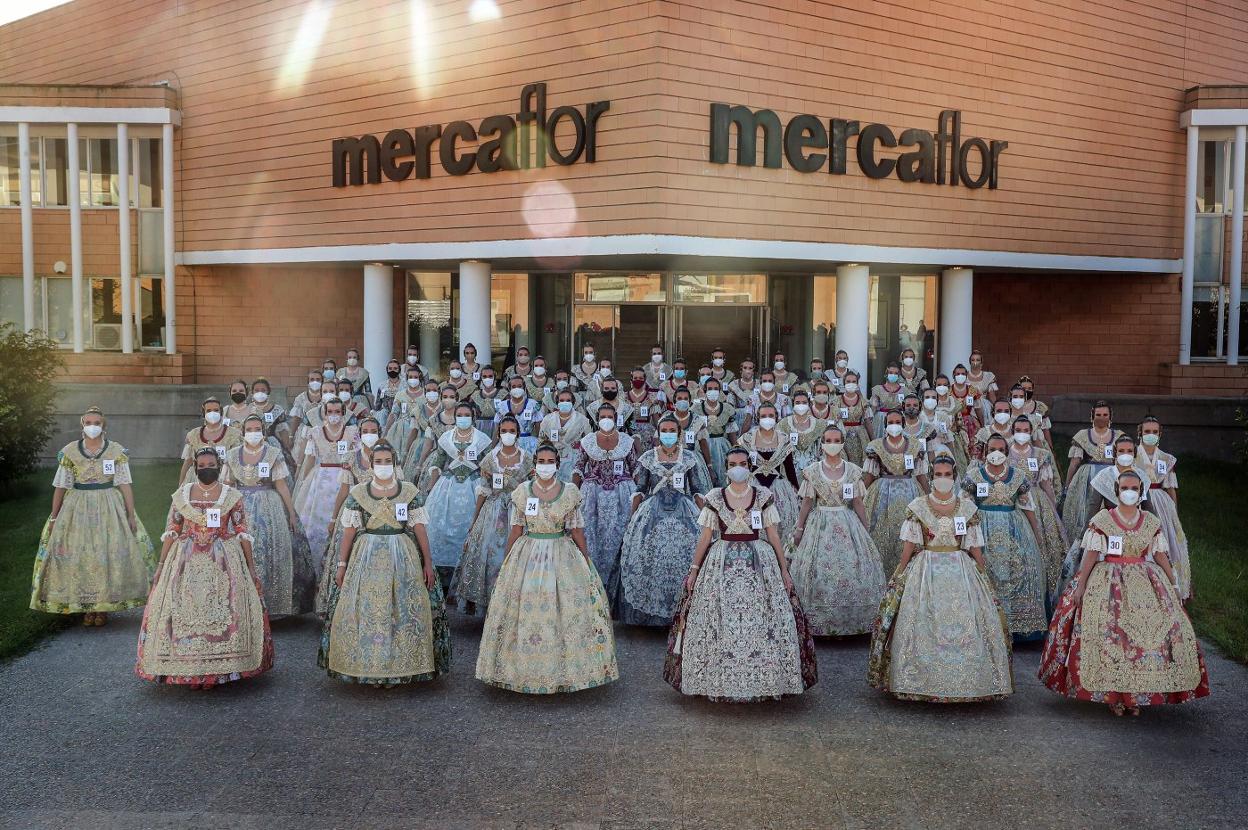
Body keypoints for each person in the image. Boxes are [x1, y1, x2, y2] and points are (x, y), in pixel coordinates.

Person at [1038, 471, 1209, 716]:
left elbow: (1159, 554)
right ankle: (1114, 696)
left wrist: (1173, 583)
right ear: (1117, 490)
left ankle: (1136, 695)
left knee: (1146, 636)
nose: (1130, 492)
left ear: (1141, 492)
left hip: (1144, 580)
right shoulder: (1102, 519)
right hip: (1107, 581)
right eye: (1125, 487)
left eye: (1135, 488)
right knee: (1112, 636)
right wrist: (1082, 584)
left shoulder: (1150, 521)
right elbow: (1091, 555)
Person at [663, 447, 817, 701]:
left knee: (763, 619)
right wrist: (693, 571)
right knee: (718, 620)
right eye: (733, 463)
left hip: (759, 562)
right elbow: (704, 538)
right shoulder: (714, 497)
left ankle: (762, 679)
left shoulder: (763, 495)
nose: (738, 468)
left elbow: (773, 534)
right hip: (720, 562)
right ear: (726, 468)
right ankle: (719, 679)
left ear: (750, 466)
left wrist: (783, 570)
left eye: (743, 463)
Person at [867, 454, 1013, 702]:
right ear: (932, 477)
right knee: (922, 619)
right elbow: (910, 544)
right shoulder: (918, 506)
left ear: (954, 477)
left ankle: (969, 682)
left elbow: (974, 545)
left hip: (960, 568)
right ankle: (918, 680)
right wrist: (901, 571)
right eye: (938, 475)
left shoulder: (967, 508)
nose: (942, 479)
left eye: (947, 475)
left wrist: (982, 571)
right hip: (926, 568)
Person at [475, 445, 619, 694]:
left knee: (566, 610)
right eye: (541, 460)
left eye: (549, 460)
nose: (545, 464)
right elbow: (517, 529)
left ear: (558, 463)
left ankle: (565, 671)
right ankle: (523, 670)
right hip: (527, 553)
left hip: (562, 553)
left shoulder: (570, 492)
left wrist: (585, 560)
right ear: (535, 464)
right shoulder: (522, 492)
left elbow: (576, 530)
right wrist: (508, 560)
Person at [137, 448, 273, 688]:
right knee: (183, 613)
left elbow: (242, 532)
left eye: (210, 464)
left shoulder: (231, 496)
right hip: (185, 559)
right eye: (201, 465)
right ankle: (188, 671)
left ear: (219, 466)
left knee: (222, 611)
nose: (206, 468)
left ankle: (216, 672)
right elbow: (172, 530)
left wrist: (251, 569)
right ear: (195, 467)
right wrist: (160, 565)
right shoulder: (182, 495)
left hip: (223, 558)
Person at [319, 443, 451, 686]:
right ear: (371, 464)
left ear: (395, 462)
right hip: (366, 556)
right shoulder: (358, 493)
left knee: (402, 606)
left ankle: (403, 663)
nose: (382, 465)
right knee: (370, 609)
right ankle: (370, 662)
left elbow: (419, 528)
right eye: (378, 461)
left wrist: (428, 563)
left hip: (404, 555)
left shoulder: (409, 491)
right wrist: (341, 564)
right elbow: (349, 531)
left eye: (387, 460)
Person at [30, 407, 154, 626]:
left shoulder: (115, 451)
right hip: (76, 506)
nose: (92, 426)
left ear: (103, 425)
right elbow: (61, 486)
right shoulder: (70, 452)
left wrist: (131, 514)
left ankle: (103, 607)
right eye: (88, 422)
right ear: (82, 425)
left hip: (109, 505)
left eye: (97, 422)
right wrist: (54, 516)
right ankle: (86, 607)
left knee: (106, 554)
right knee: (82, 555)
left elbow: (124, 484)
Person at [614, 415, 712, 626]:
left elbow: (696, 490)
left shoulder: (688, 457)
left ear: (678, 434)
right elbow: (640, 489)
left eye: (672, 431)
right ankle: (651, 616)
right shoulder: (649, 457)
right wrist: (632, 520)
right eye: (664, 430)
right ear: (659, 433)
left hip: (684, 512)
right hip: (653, 512)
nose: (668, 434)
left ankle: (685, 612)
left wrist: (706, 519)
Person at [788, 426, 885, 636]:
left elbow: (858, 502)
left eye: (836, 440)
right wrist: (799, 528)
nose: (832, 444)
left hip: (847, 522)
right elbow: (807, 503)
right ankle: (817, 623)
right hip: (820, 522)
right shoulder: (813, 471)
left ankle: (852, 622)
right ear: (822, 443)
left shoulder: (852, 470)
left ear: (842, 443)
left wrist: (865, 528)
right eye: (828, 440)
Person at [222, 415, 315, 618]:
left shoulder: (273, 453)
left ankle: (272, 605)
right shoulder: (232, 455)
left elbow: (281, 484)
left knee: (269, 550)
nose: (253, 432)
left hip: (269, 506)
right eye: (249, 429)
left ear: (263, 431)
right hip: (240, 506)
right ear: (243, 431)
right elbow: (227, 484)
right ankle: (243, 605)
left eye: (257, 428)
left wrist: (291, 513)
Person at [963, 434, 1048, 640]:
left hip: (1014, 528)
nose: (996, 454)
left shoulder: (1018, 476)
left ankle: (1016, 626)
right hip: (982, 529)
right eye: (992, 449)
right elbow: (964, 507)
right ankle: (985, 624)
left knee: (1018, 570)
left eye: (1001, 450)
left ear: (1007, 452)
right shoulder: (974, 475)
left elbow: (1028, 507)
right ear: (985, 452)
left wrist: (1037, 535)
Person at [451, 416, 533, 616]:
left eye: (512, 430)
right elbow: (484, 491)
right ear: (498, 433)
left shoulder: (528, 457)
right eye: (504, 430)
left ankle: (517, 607)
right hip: (493, 511)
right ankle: (490, 607)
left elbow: (533, 488)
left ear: (518, 432)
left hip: (519, 512)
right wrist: (474, 520)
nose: (508, 434)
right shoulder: (489, 459)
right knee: (488, 556)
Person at [315, 416, 392, 615]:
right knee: (346, 553)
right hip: (354, 512)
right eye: (365, 431)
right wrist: (333, 519)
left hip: (381, 512)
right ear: (359, 434)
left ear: (380, 433)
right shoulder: (350, 457)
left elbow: (397, 487)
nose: (369, 435)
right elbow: (343, 490)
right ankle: (344, 608)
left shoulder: (389, 457)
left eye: (373, 431)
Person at [421, 401, 493, 591]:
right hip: (448, 486)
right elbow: (439, 460)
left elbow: (488, 463)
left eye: (466, 415)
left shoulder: (482, 439)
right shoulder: (446, 437)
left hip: (474, 486)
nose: (462, 418)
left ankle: (467, 580)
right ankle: (443, 580)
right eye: (459, 415)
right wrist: (432, 482)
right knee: (440, 528)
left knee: (472, 529)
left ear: (473, 417)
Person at [573, 402, 638, 597]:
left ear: (616, 418)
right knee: (592, 541)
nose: (606, 420)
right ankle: (594, 591)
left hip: (622, 497)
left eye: (610, 417)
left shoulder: (627, 441)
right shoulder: (588, 441)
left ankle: (617, 593)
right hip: (593, 498)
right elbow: (578, 467)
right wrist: (573, 492)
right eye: (603, 417)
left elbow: (635, 469)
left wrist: (641, 495)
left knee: (621, 539)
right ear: (597, 418)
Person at [294, 397, 359, 578]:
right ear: (324, 413)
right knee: (316, 527)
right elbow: (309, 459)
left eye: (337, 412)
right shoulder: (315, 433)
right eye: (330, 412)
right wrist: (302, 482)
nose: (333, 415)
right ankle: (317, 573)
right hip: (320, 483)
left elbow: (360, 456)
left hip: (345, 481)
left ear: (343, 413)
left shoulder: (352, 432)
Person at [1007, 416, 1068, 604]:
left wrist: (1054, 508)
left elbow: (1046, 484)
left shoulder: (1041, 454)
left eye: (1026, 430)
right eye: (1019, 429)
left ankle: (1046, 593)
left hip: (1038, 501)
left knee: (1045, 542)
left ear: (1031, 431)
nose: (1022, 433)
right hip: (1013, 501)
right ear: (1012, 430)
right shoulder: (1005, 453)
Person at [862, 410, 930, 574]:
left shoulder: (915, 445)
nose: (894, 426)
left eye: (898, 422)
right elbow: (869, 475)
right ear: (885, 425)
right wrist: (861, 497)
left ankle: (909, 572)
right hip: (882, 495)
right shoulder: (875, 446)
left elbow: (921, 475)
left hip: (910, 492)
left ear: (903, 424)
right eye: (891, 422)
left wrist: (930, 498)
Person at [1137, 416, 1191, 600]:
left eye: (1154, 432)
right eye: (1146, 432)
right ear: (1140, 433)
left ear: (1160, 434)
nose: (1150, 435)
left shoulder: (1166, 459)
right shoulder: (1133, 455)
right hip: (1140, 500)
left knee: (1166, 540)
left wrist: (1173, 511)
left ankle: (1172, 583)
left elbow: (1170, 488)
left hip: (1161, 500)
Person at [1062, 400, 1125, 542]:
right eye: (1098, 414)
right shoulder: (1083, 435)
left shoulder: (1118, 436)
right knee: (1086, 509)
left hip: (1111, 476)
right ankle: (1083, 541)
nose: (1101, 418)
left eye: (1105, 414)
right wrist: (1067, 486)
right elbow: (1074, 463)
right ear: (1092, 416)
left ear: (1110, 417)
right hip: (1087, 479)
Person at [738, 402, 801, 541]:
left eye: (771, 415)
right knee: (754, 526)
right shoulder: (747, 439)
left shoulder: (784, 439)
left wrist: (797, 490)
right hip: (753, 488)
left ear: (777, 417)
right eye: (764, 416)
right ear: (757, 417)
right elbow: (740, 467)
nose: (767, 419)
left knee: (780, 526)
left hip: (779, 489)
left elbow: (790, 469)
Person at [177, 397, 242, 486]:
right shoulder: (193, 435)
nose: (212, 413)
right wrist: (180, 485)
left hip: (224, 478)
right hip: (197, 478)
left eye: (216, 410)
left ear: (221, 412)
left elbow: (237, 461)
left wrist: (231, 479)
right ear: (204, 413)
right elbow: (188, 462)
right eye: (209, 411)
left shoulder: (233, 434)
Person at [538, 388, 592, 482]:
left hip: (574, 461)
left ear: (573, 402)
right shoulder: (547, 419)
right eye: (562, 400)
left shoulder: (582, 420)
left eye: (568, 400)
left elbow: (589, 442)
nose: (565, 402)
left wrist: (578, 446)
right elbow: (541, 441)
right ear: (557, 402)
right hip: (552, 460)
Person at [693, 376, 737, 488]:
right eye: (710, 388)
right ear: (704, 390)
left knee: (723, 480)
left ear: (720, 390)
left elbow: (731, 433)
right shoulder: (696, 408)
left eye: (716, 388)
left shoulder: (727, 408)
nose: (713, 391)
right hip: (702, 445)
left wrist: (736, 450)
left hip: (722, 447)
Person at [779, 390, 827, 473]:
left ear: (809, 404)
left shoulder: (820, 425)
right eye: (797, 402)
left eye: (804, 402)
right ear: (793, 404)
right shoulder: (783, 424)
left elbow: (824, 450)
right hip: (790, 471)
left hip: (814, 471)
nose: (801, 405)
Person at [493, 375, 543, 453]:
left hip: (529, 445)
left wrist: (541, 447)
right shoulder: (501, 406)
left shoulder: (532, 404)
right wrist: (493, 448)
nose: (517, 388)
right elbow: (497, 430)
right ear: (509, 389)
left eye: (520, 386)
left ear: (524, 388)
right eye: (514, 386)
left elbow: (539, 431)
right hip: (506, 443)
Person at [834, 370, 872, 464]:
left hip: (860, 437)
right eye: (848, 381)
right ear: (844, 383)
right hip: (842, 434)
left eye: (854, 381)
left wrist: (873, 440)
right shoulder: (836, 401)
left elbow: (867, 422)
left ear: (857, 383)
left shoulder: (863, 401)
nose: (851, 384)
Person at [625, 366, 662, 449]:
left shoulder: (652, 398)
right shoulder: (624, 397)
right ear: (631, 380)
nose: (638, 380)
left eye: (641, 378)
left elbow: (657, 422)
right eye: (635, 378)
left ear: (645, 380)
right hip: (629, 434)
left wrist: (658, 436)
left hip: (647, 436)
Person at [869, 361, 906, 438]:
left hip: (898, 419)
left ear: (899, 375)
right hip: (881, 420)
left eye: (896, 373)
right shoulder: (878, 389)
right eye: (891, 372)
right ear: (887, 373)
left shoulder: (904, 391)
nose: (893, 375)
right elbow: (873, 408)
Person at [290, 369, 327, 437]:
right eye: (312, 379)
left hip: (324, 433)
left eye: (318, 379)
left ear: (322, 382)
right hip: (305, 433)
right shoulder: (301, 398)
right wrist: (291, 436)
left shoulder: (327, 397)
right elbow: (296, 419)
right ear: (308, 382)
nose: (315, 382)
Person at [965, 349, 998, 424]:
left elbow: (992, 397)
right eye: (973, 360)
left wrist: (997, 408)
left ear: (981, 363)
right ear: (970, 362)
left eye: (978, 360)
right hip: (967, 406)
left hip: (984, 406)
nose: (975, 362)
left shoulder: (988, 376)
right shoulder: (964, 375)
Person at [373, 358, 404, 430]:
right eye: (390, 368)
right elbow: (378, 404)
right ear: (387, 370)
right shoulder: (382, 385)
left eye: (395, 368)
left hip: (400, 416)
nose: (392, 370)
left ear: (399, 370)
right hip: (384, 417)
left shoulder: (405, 385)